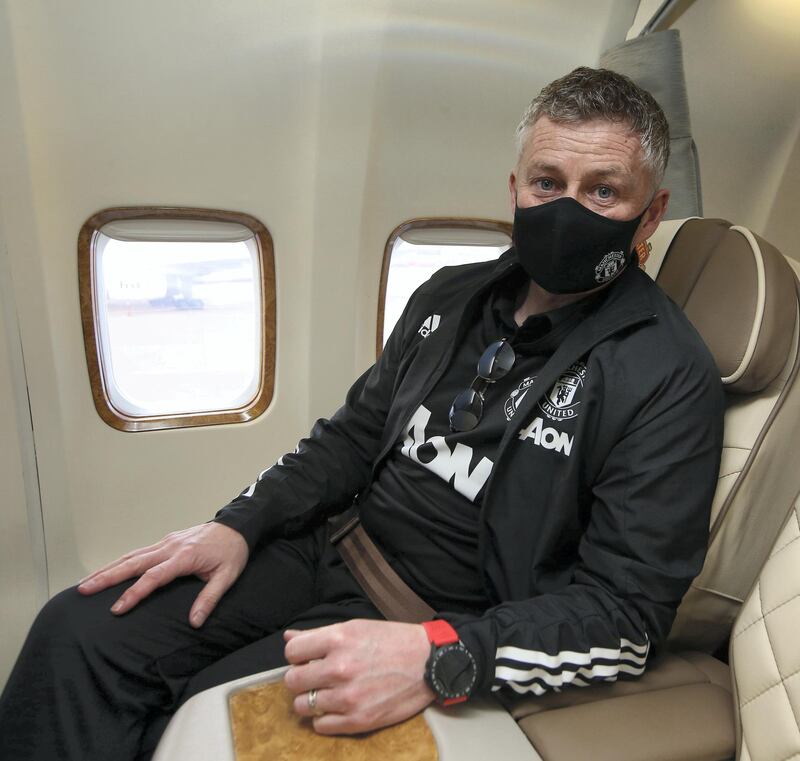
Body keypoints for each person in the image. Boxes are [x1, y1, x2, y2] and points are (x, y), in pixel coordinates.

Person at [0, 67, 724, 760]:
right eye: (547, 182)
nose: (566, 208)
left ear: (650, 212)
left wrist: (442, 655)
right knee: (77, 634)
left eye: (603, 191)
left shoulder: (666, 373)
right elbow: (353, 436)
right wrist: (239, 521)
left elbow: (627, 618)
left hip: (435, 616)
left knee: (197, 712)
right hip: (330, 547)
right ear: (515, 190)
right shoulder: (450, 295)